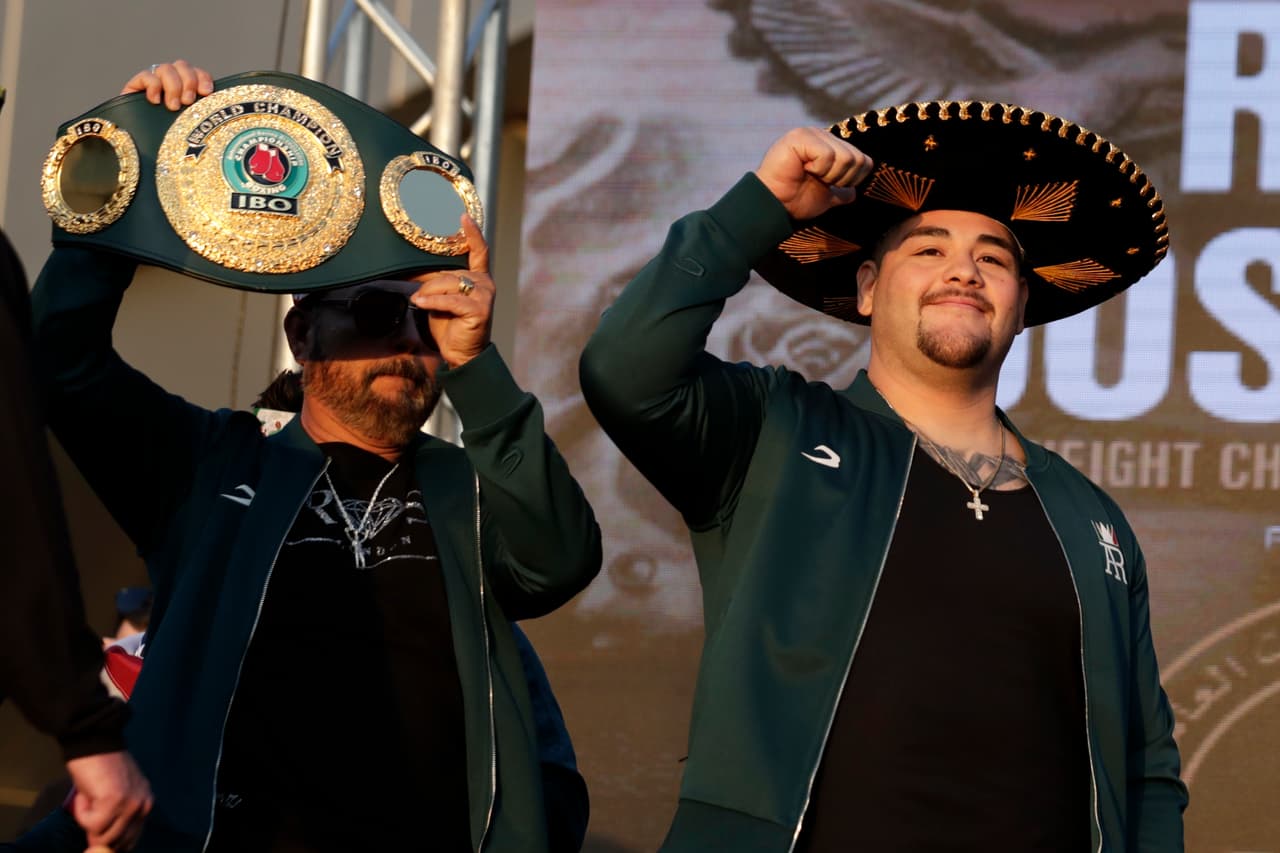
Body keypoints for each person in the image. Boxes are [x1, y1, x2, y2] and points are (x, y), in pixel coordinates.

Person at [580, 102, 1187, 851]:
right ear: (867, 288)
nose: (964, 269)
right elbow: (624, 368)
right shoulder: (777, 428)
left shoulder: (1091, 518)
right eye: (928, 250)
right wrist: (759, 208)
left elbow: (1148, 768)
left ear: (1023, 305)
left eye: (994, 258)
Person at [30, 61, 601, 852]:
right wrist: (140, 153)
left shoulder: (472, 491)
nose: (406, 344)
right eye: (375, 313)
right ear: (304, 336)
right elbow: (61, 366)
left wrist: (477, 368)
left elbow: (561, 559)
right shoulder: (209, 464)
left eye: (428, 322)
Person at [0, 211, 152, 850]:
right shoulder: (228, 460)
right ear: (300, 332)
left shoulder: (465, 493)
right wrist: (86, 731)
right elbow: (9, 496)